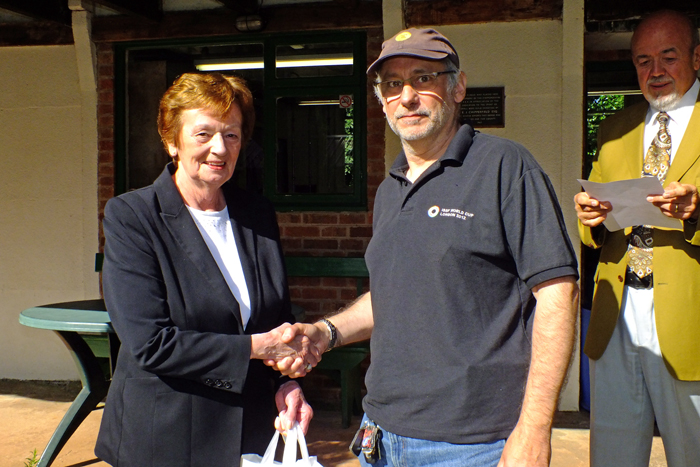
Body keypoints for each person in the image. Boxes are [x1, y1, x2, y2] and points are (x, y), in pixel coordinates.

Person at [273, 28, 579, 466]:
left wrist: (533, 428)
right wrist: (324, 333)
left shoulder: (505, 167)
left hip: (473, 445)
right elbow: (396, 295)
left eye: (423, 78)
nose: (407, 96)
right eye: (393, 84)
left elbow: (557, 293)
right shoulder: (390, 189)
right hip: (379, 435)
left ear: (457, 87)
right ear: (380, 99)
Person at [95, 72, 319, 467]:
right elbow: (150, 343)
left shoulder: (256, 214)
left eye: (231, 135)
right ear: (172, 141)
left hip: (250, 432)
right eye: (204, 134)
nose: (220, 148)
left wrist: (287, 382)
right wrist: (256, 348)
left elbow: (275, 317)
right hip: (166, 438)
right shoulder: (132, 216)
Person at [574, 9, 700, 467]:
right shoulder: (614, 130)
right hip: (616, 317)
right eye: (643, 60)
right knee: (613, 455)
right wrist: (589, 218)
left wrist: (697, 214)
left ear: (697, 57)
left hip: (690, 321)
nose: (656, 71)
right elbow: (594, 225)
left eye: (668, 56)